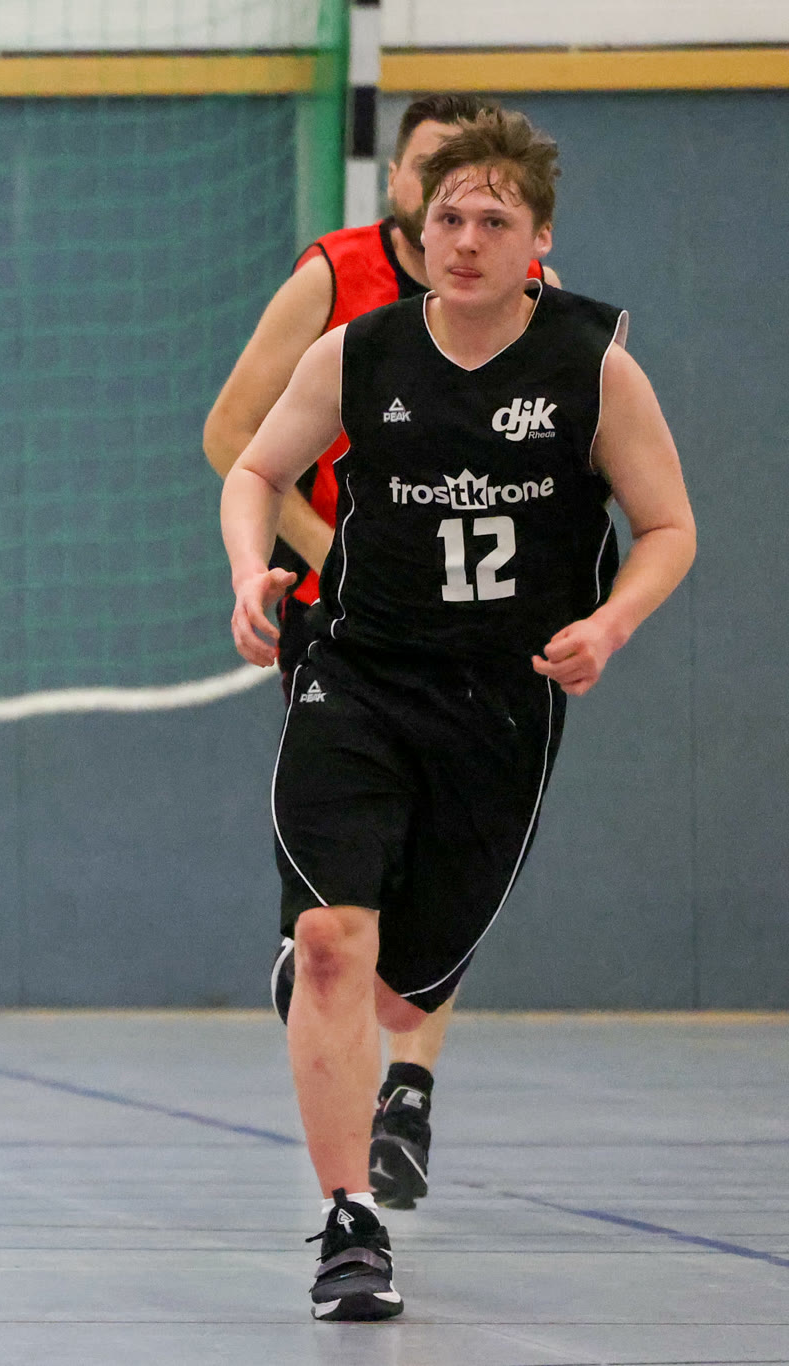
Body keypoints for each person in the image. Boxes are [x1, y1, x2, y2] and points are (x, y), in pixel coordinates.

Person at [219, 110, 694, 1320]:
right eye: (446, 218)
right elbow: (252, 466)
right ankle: (348, 1223)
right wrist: (248, 570)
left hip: (498, 702)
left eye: (493, 220)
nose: (465, 239)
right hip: (355, 674)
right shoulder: (356, 353)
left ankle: (338, 999)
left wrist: (609, 623)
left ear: (537, 242)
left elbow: (667, 527)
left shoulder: (591, 365)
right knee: (333, 943)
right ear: (417, 230)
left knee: (398, 994)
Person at [203, 93, 561, 1209]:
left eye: (486, 204)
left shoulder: (540, 316)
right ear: (400, 184)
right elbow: (233, 439)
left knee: (432, 887)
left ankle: (408, 1080)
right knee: (344, 896)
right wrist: (325, 554)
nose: (460, 217)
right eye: (434, 182)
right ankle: (358, 1149)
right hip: (348, 628)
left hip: (482, 648)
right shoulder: (337, 280)